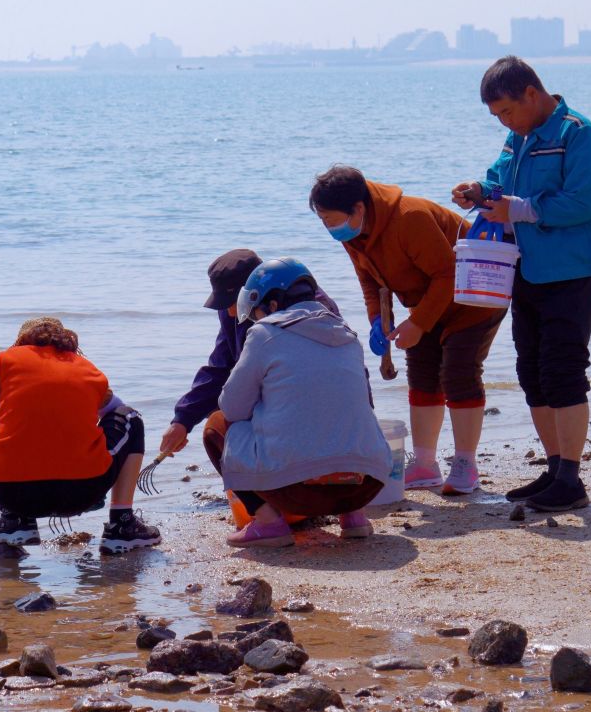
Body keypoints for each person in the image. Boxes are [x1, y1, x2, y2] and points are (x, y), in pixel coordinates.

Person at [452, 56, 591, 512]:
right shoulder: (517, 138)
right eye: (497, 117)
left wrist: (518, 209)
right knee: (532, 371)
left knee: (563, 369)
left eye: (507, 111)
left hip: (573, 269)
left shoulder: (581, 136)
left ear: (531, 93)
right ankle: (555, 468)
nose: (504, 122)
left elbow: (584, 203)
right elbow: (498, 181)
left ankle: (571, 479)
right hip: (526, 267)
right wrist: (478, 191)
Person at [310, 165, 506, 495]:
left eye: (330, 219)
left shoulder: (408, 216)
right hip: (430, 301)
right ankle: (426, 465)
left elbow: (448, 275)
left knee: (458, 372)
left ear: (358, 208)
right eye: (323, 220)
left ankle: (465, 464)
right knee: (421, 372)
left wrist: (417, 323)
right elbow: (369, 280)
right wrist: (378, 319)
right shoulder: (354, 232)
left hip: (475, 296)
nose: (329, 228)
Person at [204, 258, 391, 548]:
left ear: (274, 305)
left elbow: (232, 408)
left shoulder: (264, 334)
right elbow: (365, 400)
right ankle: (353, 518)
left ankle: (267, 522)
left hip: (299, 492)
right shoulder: (347, 334)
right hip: (366, 485)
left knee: (217, 425)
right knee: (342, 415)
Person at [0, 315, 161, 552]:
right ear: (67, 342)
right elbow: (119, 411)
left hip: (15, 494)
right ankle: (122, 524)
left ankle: (14, 519)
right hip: (84, 492)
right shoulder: (86, 369)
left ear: (20, 343)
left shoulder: (7, 362)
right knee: (132, 419)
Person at [161, 248, 339, 458]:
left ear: (256, 292)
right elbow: (220, 367)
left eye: (232, 303)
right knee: (219, 412)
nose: (229, 312)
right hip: (287, 412)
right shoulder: (234, 313)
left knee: (219, 422)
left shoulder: (315, 312)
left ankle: (256, 483)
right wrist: (182, 419)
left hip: (308, 411)